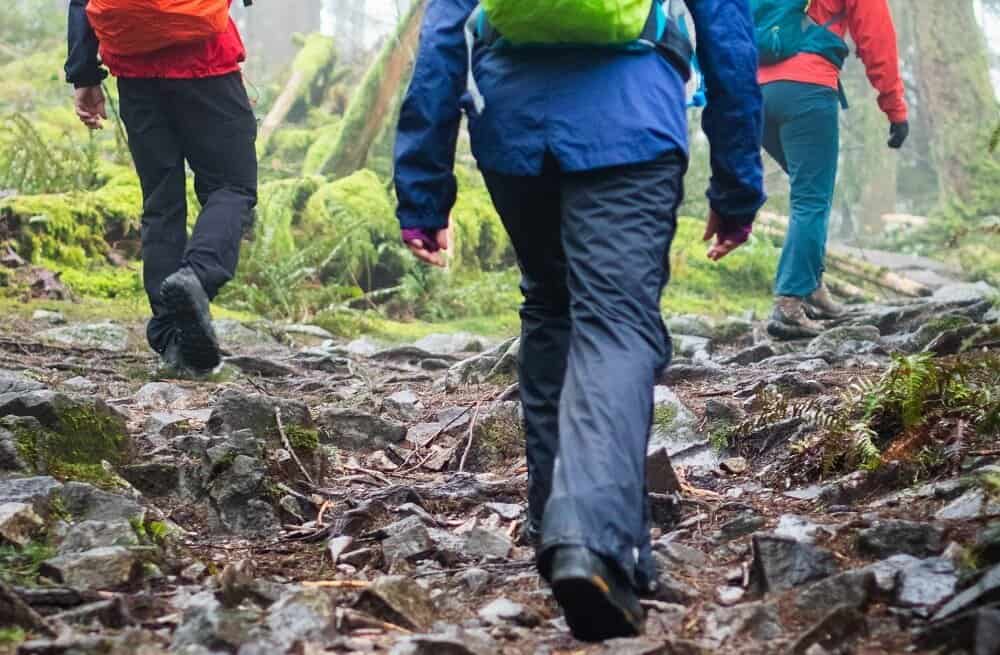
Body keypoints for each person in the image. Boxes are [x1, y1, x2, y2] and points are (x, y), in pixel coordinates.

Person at [394, 0, 765, 641]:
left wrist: (423, 188)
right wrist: (736, 183)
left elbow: (442, 35)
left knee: (549, 306)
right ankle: (591, 538)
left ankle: (554, 523)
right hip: (633, 118)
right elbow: (726, 31)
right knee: (616, 323)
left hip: (514, 125)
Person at [65, 0, 258, 373]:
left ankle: (173, 340)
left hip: (135, 71)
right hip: (207, 63)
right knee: (233, 187)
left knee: (161, 201)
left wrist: (84, 74)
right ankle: (197, 277)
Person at [760, 0, 909, 339]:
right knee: (811, 197)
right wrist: (895, 108)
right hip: (806, 88)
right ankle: (789, 302)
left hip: (751, 93)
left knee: (811, 191)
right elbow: (876, 39)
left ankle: (812, 287)